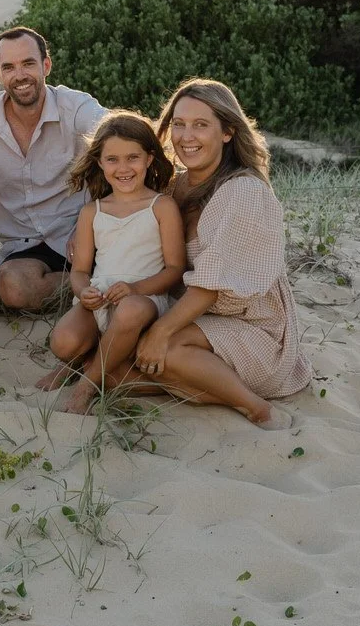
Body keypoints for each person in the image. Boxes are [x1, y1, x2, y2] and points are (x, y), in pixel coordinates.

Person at [111, 79, 310, 430]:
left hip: (253, 327)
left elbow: (210, 287)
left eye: (201, 125)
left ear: (228, 132)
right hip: (201, 317)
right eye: (179, 124)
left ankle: (255, 407)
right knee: (115, 373)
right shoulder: (177, 186)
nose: (186, 136)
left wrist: (159, 333)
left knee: (165, 348)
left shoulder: (243, 191)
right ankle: (197, 381)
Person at [35, 112, 184, 415]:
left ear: (149, 159)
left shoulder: (162, 206)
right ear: (100, 163)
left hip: (145, 297)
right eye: (113, 159)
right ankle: (78, 362)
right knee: (63, 342)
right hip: (100, 297)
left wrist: (135, 288)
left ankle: (86, 385)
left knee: (128, 311)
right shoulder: (93, 211)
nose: (124, 168)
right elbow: (79, 270)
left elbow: (174, 269)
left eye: (133, 158)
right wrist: (83, 293)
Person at [0, 27, 107, 311]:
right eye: (8, 67)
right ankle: (97, 285)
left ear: (46, 65)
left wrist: (90, 221)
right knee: (13, 289)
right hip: (25, 249)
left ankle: (97, 280)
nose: (19, 75)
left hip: (85, 235)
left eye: (28, 64)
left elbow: (117, 134)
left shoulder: (75, 106)